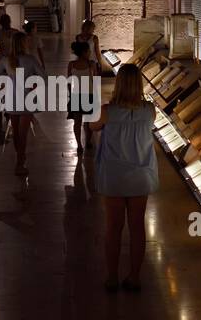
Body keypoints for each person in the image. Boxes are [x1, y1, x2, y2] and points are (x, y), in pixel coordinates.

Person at [93, 64, 158, 291]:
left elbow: (93, 126)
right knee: (137, 227)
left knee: (113, 228)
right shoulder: (149, 110)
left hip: (114, 176)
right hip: (141, 175)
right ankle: (134, 276)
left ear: (119, 84)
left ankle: (112, 277)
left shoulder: (107, 111)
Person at [0, 30, 46, 176]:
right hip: (26, 100)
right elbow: (43, 77)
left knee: (17, 134)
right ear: (23, 43)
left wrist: (4, 82)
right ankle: (20, 162)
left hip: (12, 101)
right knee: (22, 134)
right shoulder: (30, 59)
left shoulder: (6, 60)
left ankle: (20, 160)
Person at [66, 39, 99, 153]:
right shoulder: (91, 64)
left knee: (77, 121)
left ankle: (79, 145)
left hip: (76, 95)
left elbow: (69, 82)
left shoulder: (72, 64)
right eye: (89, 51)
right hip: (89, 95)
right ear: (84, 52)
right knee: (89, 121)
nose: (90, 52)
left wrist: (70, 94)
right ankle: (88, 141)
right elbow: (94, 81)